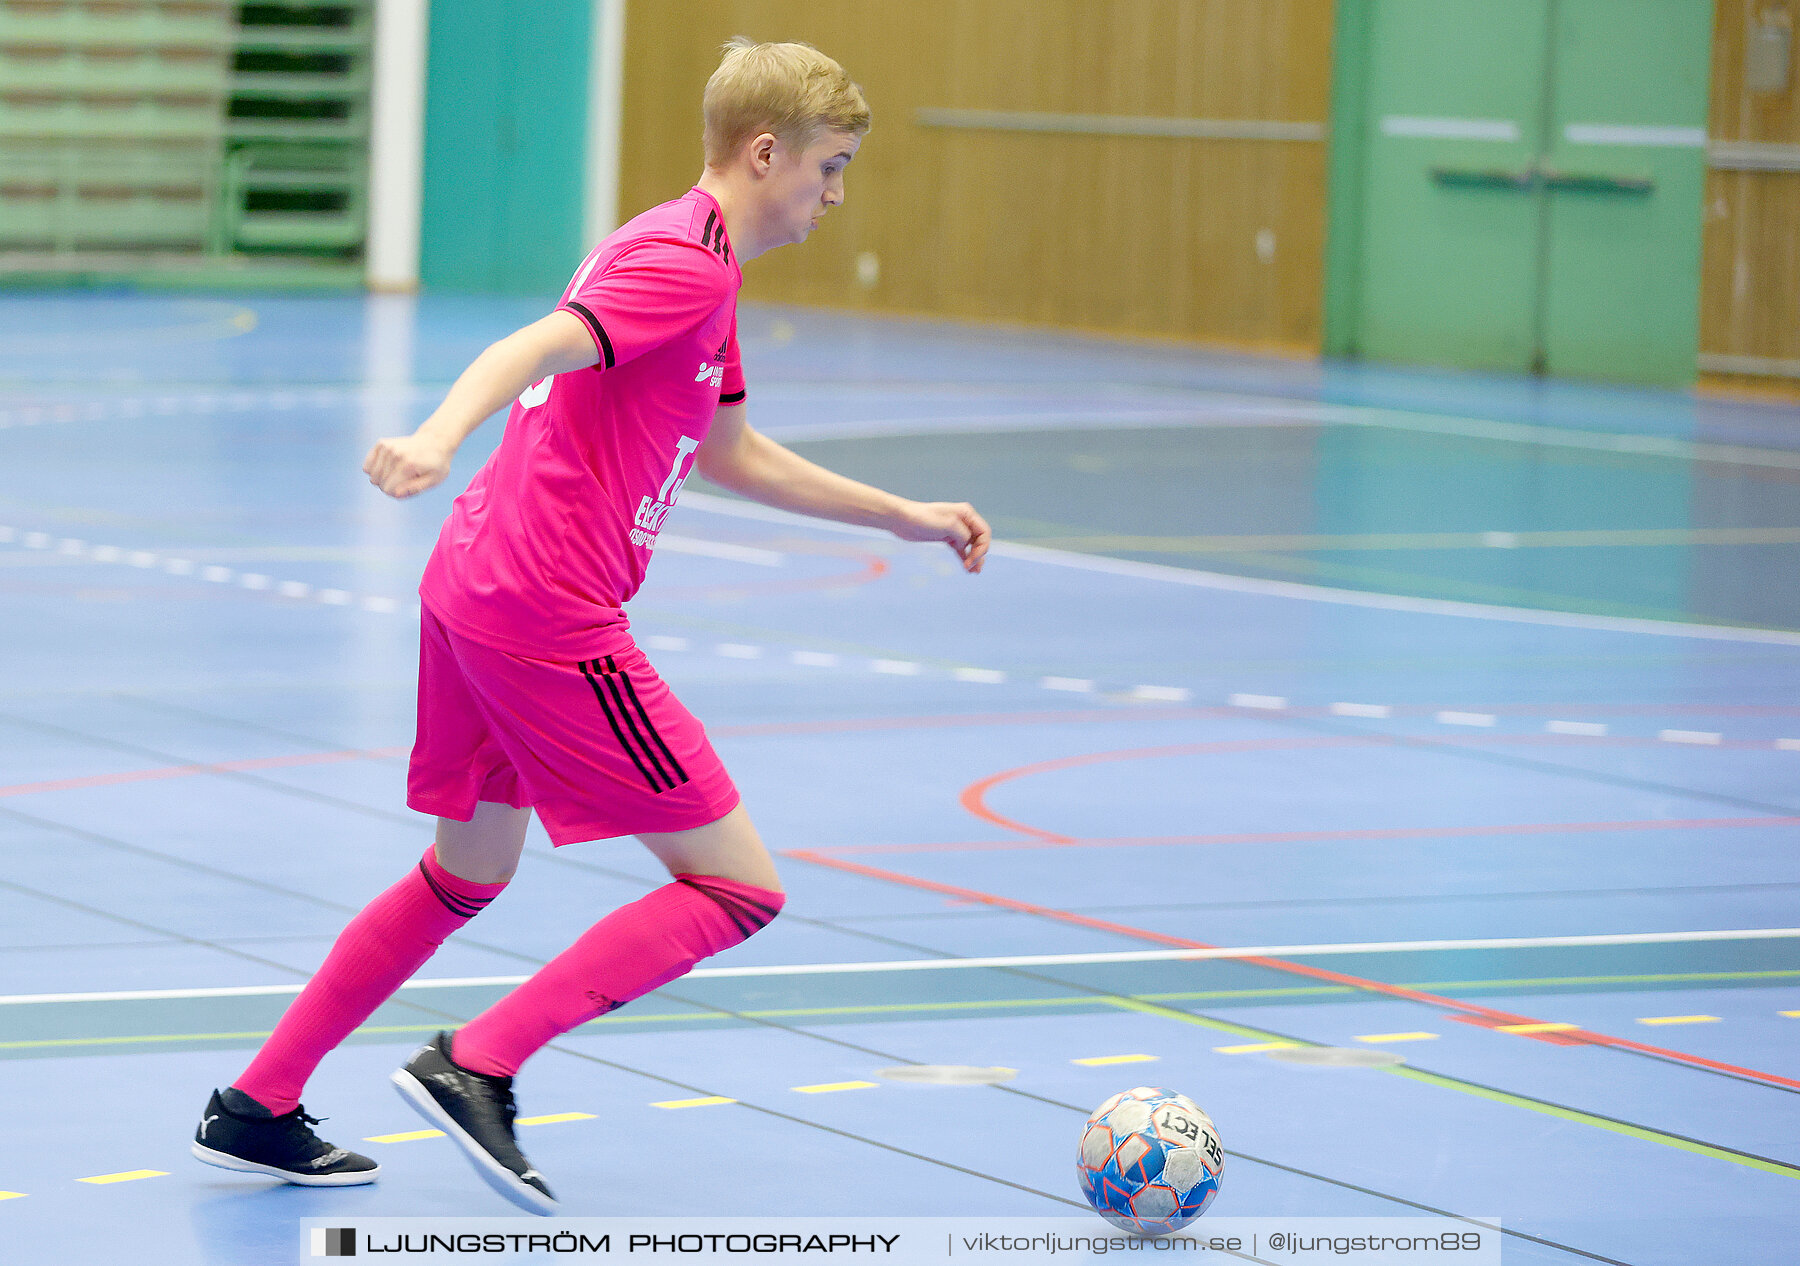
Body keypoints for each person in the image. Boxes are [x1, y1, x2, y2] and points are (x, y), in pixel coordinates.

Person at [190, 38, 989, 1215]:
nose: (835, 193)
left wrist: (902, 516)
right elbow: (539, 341)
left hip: (474, 581)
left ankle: (257, 1106)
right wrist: (435, 431)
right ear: (765, 152)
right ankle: (479, 1062)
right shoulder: (684, 263)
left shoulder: (686, 252)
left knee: (470, 871)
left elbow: (730, 452)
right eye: (831, 166)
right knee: (738, 887)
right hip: (546, 609)